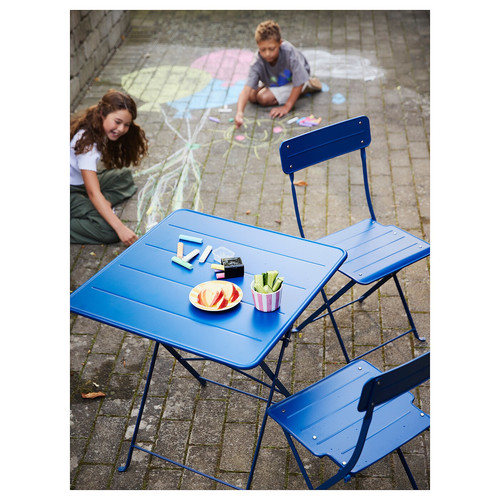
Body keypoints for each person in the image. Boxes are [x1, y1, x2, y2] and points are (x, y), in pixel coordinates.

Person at [70, 89, 148, 246]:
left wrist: (100, 201)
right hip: (71, 191)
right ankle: (96, 208)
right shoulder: (87, 147)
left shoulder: (94, 125)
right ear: (102, 114)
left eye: (126, 125)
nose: (121, 129)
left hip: (80, 184)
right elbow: (93, 192)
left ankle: (100, 205)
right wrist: (120, 228)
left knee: (124, 176)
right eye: (117, 122)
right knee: (109, 231)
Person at [235, 20, 322, 128]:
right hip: (277, 79)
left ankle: (307, 86)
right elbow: (246, 90)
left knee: (263, 98)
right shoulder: (257, 61)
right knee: (252, 96)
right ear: (258, 46)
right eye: (263, 49)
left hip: (297, 80)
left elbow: (298, 82)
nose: (267, 54)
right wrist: (239, 113)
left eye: (272, 49)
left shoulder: (289, 53)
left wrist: (287, 106)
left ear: (280, 43)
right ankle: (280, 89)